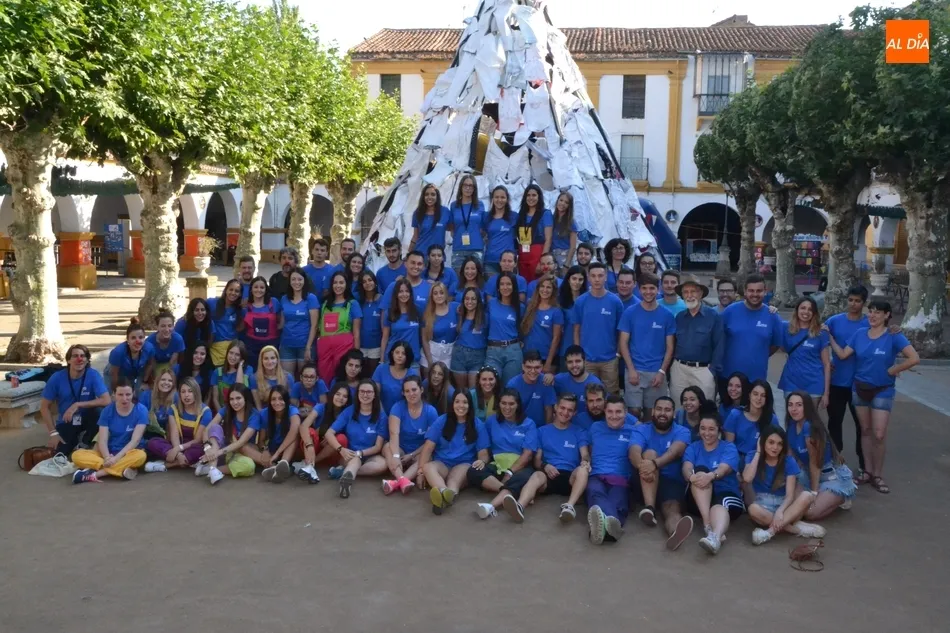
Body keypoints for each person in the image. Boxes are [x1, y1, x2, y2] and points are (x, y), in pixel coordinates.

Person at [825, 299, 918, 495]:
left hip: (883, 389)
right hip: (859, 388)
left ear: (887, 315)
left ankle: (878, 474)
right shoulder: (860, 333)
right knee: (865, 431)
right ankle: (867, 471)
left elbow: (914, 358)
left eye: (878, 312)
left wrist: (894, 369)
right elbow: (843, 354)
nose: (873, 315)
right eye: (871, 311)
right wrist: (830, 337)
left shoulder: (893, 336)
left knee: (879, 434)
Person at [503, 394, 590, 523]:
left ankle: (569, 506)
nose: (565, 412)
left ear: (574, 413)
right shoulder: (541, 431)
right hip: (549, 475)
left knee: (583, 470)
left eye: (570, 410)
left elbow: (585, 454)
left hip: (571, 477)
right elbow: (537, 461)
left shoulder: (579, 431)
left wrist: (585, 462)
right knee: (537, 475)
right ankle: (520, 506)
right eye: (562, 408)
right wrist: (545, 466)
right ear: (556, 407)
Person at [629, 396, 695, 550]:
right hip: (643, 480)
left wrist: (654, 465)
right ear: (653, 411)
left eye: (667, 410)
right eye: (659, 409)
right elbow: (634, 451)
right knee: (650, 453)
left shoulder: (682, 431)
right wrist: (644, 468)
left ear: (674, 413)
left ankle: (675, 533)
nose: (662, 413)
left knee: (672, 509)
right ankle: (650, 508)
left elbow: (674, 452)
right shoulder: (641, 429)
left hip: (670, 481)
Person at [744, 425, 827, 545]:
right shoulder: (753, 455)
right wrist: (758, 452)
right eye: (771, 442)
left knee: (807, 495)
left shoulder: (788, 461)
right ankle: (795, 529)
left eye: (779, 444)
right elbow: (747, 478)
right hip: (763, 505)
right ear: (763, 442)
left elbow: (789, 496)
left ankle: (769, 532)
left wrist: (780, 511)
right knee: (752, 509)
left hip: (784, 504)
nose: (775, 447)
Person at [682, 408, 745, 555]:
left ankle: (715, 537)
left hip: (726, 495)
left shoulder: (728, 447)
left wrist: (711, 476)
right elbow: (686, 467)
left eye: (711, 429)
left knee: (720, 502)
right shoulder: (693, 447)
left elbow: (724, 469)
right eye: (703, 428)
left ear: (719, 430)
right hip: (699, 500)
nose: (707, 433)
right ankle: (708, 526)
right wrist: (691, 477)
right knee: (699, 470)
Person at [785, 392, 857, 517]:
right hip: (808, 474)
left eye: (799, 405)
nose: (794, 409)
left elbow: (815, 463)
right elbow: (790, 459)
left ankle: (842, 496)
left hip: (829, 476)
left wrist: (814, 492)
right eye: (790, 405)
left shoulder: (809, 427)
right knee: (794, 504)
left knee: (809, 512)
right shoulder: (791, 425)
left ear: (807, 407)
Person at [824, 285, 870, 480]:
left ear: (864, 303)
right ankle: (835, 461)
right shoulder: (834, 321)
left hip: (859, 384)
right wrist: (827, 362)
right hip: (837, 383)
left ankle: (864, 465)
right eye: (851, 300)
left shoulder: (869, 322)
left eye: (858, 301)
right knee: (835, 423)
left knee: (862, 426)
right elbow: (820, 340)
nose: (853, 304)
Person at [419, 390, 491, 515]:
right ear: (452, 404)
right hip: (442, 463)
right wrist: (420, 472)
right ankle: (445, 494)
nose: (461, 406)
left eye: (465, 402)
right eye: (457, 402)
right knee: (427, 467)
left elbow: (483, 453)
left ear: (470, 405)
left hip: (464, 463)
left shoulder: (477, 424)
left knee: (454, 480)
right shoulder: (442, 420)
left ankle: (444, 497)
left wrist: (482, 461)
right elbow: (428, 447)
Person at [472, 389, 539, 520]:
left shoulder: (529, 423)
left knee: (523, 478)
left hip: (519, 466)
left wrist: (510, 472)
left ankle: (490, 507)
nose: (507, 407)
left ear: (518, 405)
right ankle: (511, 492)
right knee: (473, 471)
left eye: (511, 404)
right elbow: (484, 446)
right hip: (497, 464)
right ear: (499, 404)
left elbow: (528, 454)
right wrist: (482, 461)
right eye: (503, 403)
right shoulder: (491, 421)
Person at [619, 272, 674, 420]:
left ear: (658, 289)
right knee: (633, 412)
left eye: (652, 288)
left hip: (656, 371)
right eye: (644, 288)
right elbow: (623, 343)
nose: (648, 292)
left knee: (652, 414)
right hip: (634, 370)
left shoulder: (667, 315)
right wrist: (631, 369)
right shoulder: (630, 313)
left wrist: (662, 371)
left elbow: (670, 347)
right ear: (639, 289)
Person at [71, 378, 148, 484]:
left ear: (133, 393)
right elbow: (102, 440)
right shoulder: (107, 411)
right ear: (114, 394)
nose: (124, 398)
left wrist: (116, 459)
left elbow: (135, 441)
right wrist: (107, 458)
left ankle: (95, 474)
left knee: (140, 456)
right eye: (120, 395)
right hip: (108, 452)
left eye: (128, 394)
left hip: (129, 452)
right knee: (76, 455)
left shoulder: (141, 410)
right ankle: (121, 470)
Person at [40, 344, 111, 456]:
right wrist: (53, 433)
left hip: (88, 419)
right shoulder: (57, 378)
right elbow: (44, 407)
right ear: (68, 360)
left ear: (87, 360)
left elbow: (107, 400)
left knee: (100, 412)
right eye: (75, 356)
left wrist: (77, 404)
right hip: (67, 421)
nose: (79, 359)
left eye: (82, 356)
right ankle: (75, 441)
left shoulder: (93, 375)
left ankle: (85, 442)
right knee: (59, 454)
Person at [585, 395, 638, 544]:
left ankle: (599, 530)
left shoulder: (634, 431)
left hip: (620, 478)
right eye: (610, 411)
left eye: (618, 412)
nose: (614, 416)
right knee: (595, 492)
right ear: (605, 412)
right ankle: (613, 525)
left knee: (618, 501)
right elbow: (589, 450)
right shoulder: (595, 428)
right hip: (596, 475)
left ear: (626, 413)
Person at [324, 380, 389, 499]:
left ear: (374, 394)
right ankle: (345, 485)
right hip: (349, 454)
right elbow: (329, 433)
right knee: (355, 461)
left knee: (383, 465)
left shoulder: (381, 416)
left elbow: (378, 446)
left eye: (369, 392)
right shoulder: (349, 411)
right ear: (357, 393)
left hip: (370, 454)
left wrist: (361, 453)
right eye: (362, 391)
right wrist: (341, 449)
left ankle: (344, 472)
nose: (365, 394)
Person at [720, 274, 782, 396]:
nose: (755, 294)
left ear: (765, 291)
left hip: (756, 380)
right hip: (728, 377)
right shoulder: (730, 311)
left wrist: (759, 353)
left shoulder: (772, 316)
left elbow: (776, 345)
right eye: (751, 290)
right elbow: (718, 339)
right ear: (745, 291)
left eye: (759, 291)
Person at [382, 376, 439, 495]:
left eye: (414, 390)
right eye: (407, 391)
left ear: (421, 390)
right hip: (401, 449)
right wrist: (396, 455)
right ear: (403, 393)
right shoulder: (397, 407)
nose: (411, 394)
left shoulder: (431, 411)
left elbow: (429, 443)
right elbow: (394, 433)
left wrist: (412, 455)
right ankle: (402, 480)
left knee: (428, 456)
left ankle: (397, 482)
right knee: (387, 447)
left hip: (418, 452)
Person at [670, 274, 723, 404]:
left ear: (700, 294)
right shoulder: (679, 317)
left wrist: (712, 371)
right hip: (679, 370)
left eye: (693, 291)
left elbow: (720, 345)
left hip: (703, 370)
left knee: (705, 407)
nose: (689, 295)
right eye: (686, 292)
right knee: (678, 406)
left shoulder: (713, 316)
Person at [572, 263, 623, 395]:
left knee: (611, 396)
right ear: (588, 277)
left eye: (600, 276)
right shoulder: (580, 301)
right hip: (587, 359)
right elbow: (576, 329)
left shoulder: (615, 302)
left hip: (610, 359)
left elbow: (621, 332)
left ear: (606, 277)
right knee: (588, 396)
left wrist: (617, 354)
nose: (597, 279)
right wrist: (579, 355)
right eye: (593, 276)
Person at [196, 384, 261, 484]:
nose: (235, 402)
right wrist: (207, 448)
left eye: (238, 398)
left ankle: (209, 469)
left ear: (246, 398)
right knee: (215, 428)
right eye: (231, 399)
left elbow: (240, 442)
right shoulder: (226, 409)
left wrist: (217, 453)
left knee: (249, 466)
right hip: (221, 448)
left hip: (239, 452)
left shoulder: (254, 415)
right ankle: (213, 469)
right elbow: (207, 430)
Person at [775, 296, 831, 409]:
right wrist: (772, 309)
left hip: (814, 382)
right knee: (792, 416)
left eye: (810, 309)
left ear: (814, 313)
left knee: (810, 418)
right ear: (797, 310)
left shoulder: (821, 332)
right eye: (803, 308)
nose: (806, 312)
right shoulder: (785, 327)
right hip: (791, 381)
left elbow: (827, 364)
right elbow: (770, 321)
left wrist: (826, 393)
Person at [146, 377, 213, 471]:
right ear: (179, 394)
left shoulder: (205, 412)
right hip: (176, 444)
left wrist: (178, 449)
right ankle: (188, 461)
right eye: (183, 392)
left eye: (190, 391)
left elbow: (198, 440)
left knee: (202, 449)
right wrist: (178, 453)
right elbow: (174, 435)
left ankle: (166, 465)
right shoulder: (173, 409)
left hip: (193, 446)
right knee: (153, 442)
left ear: (196, 393)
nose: (186, 395)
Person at [296, 382, 353, 483]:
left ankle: (310, 465)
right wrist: (309, 445)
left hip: (332, 452)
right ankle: (310, 466)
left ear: (348, 400)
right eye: (338, 394)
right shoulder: (321, 407)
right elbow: (303, 426)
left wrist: (331, 437)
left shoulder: (348, 412)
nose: (340, 398)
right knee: (310, 431)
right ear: (332, 394)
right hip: (314, 448)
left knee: (341, 438)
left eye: (345, 396)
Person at [316, 270, 362, 385]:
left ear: (347, 285)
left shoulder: (353, 304)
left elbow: (356, 333)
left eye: (341, 282)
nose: (338, 286)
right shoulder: (325, 304)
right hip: (324, 348)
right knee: (324, 379)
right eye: (335, 282)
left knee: (341, 378)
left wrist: (356, 354)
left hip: (344, 348)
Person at [723, 379, 778, 468]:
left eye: (763, 395)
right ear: (749, 395)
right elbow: (729, 446)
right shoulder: (735, 414)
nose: (759, 398)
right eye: (755, 394)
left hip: (761, 462)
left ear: (767, 399)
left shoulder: (772, 419)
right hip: (737, 460)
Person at [278, 267, 320, 377]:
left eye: (300, 279)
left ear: (304, 280)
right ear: (289, 281)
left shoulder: (311, 298)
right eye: (293, 279)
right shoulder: (284, 299)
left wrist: (308, 347)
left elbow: (314, 325)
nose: (297, 282)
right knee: (287, 378)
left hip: (305, 345)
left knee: (306, 379)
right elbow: (282, 323)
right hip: (287, 345)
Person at [485, 272, 524, 386]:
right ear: (498, 287)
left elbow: (524, 328)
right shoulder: (491, 303)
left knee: (510, 386)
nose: (505, 287)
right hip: (493, 350)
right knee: (490, 385)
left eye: (508, 284)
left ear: (514, 286)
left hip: (513, 350)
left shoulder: (520, 307)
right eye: (502, 284)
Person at [256, 385, 302, 483]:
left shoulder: (292, 410)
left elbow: (294, 430)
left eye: (281, 399)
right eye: (273, 399)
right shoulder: (264, 413)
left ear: (286, 400)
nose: (277, 402)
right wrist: (264, 449)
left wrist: (277, 453)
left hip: (290, 451)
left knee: (295, 436)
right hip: (273, 450)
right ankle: (276, 469)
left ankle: (283, 464)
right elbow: (261, 440)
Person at [521, 274, 563, 373]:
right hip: (528, 356)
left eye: (548, 287)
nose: (545, 290)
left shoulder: (556, 311)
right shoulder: (530, 306)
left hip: (546, 358)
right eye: (542, 286)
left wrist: (548, 362)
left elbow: (556, 338)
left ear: (553, 290)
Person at [239, 276, 281, 371]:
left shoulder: (274, 302)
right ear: (251, 289)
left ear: (266, 289)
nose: (259, 290)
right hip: (251, 345)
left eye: (262, 287)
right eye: (256, 287)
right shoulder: (246, 305)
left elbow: (280, 320)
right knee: (253, 370)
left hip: (271, 344)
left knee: (271, 370)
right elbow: (241, 327)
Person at [505, 350, 556, 426]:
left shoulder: (546, 381)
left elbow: (548, 410)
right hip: (519, 427)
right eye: (529, 367)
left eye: (537, 367)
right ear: (523, 367)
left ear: (542, 367)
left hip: (540, 428)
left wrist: (546, 430)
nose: (533, 371)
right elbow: (509, 411)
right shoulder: (513, 385)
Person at [451, 288, 489, 389]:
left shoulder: (485, 317)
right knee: (461, 390)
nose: (470, 302)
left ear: (478, 301)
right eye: (467, 299)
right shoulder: (459, 315)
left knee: (473, 391)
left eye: (473, 299)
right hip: (459, 355)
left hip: (478, 356)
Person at [106, 319, 155, 394]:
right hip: (116, 373)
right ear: (127, 340)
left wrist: (144, 381)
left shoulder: (149, 348)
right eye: (133, 338)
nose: (137, 341)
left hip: (136, 371)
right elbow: (114, 375)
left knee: (139, 394)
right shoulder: (118, 352)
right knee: (113, 396)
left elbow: (150, 364)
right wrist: (116, 392)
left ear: (144, 338)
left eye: (140, 337)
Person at [515, 183, 553, 282]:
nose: (531, 198)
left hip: (538, 254)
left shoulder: (545, 214)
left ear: (539, 197)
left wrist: (542, 261)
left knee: (537, 284)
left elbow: (548, 239)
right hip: (523, 255)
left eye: (534, 195)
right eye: (528, 195)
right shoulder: (521, 215)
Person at [380, 278, 423, 366]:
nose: (404, 294)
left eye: (407, 291)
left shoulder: (418, 310)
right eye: (400, 291)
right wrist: (381, 360)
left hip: (412, 359)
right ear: (396, 294)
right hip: (393, 360)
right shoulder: (389, 312)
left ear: (410, 293)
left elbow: (423, 337)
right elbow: (385, 338)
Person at [139, 368, 177, 466]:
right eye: (163, 379)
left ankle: (167, 458)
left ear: (173, 384)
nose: (166, 383)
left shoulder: (176, 397)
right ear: (157, 381)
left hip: (167, 438)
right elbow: (139, 421)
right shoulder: (146, 395)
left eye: (170, 380)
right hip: (146, 435)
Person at [448, 175, 487, 269]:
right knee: (458, 276)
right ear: (461, 187)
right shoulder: (454, 206)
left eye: (471, 186)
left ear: (474, 188)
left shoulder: (480, 205)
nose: (468, 188)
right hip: (459, 249)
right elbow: (452, 228)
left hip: (476, 249)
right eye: (465, 185)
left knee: (476, 277)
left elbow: (483, 228)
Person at [372, 341, 420, 413]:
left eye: (403, 353)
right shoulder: (381, 369)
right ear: (392, 353)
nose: (400, 356)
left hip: (404, 413)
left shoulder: (413, 373)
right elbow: (375, 394)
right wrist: (382, 414)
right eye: (397, 352)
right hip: (381, 411)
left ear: (408, 356)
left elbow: (414, 398)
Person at [421, 282, 458, 373]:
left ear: (446, 294)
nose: (439, 296)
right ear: (432, 296)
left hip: (450, 353)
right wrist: (430, 361)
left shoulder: (455, 307)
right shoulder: (427, 314)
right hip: (432, 353)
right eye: (435, 293)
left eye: (441, 293)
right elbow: (424, 340)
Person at [210, 340, 256, 412]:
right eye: (231, 353)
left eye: (237, 355)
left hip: (242, 411)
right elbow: (215, 399)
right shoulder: (217, 372)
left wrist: (240, 365)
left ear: (242, 357)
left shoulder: (248, 369)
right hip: (223, 411)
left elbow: (239, 387)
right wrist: (222, 415)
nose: (233, 357)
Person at [409, 183, 450, 259]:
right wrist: (409, 255)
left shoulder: (445, 212)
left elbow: (453, 228)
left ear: (437, 197)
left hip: (437, 257)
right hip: (420, 256)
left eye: (433, 194)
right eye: (426, 194)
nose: (429, 197)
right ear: (423, 197)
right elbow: (415, 236)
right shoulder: (418, 213)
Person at [483, 185, 517, 276]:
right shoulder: (486, 217)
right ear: (492, 199)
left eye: (502, 197)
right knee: (492, 285)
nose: (499, 200)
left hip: (508, 262)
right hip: (490, 261)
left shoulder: (514, 216)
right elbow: (482, 235)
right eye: (496, 197)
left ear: (507, 199)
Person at [208, 279, 243, 366]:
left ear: (240, 294)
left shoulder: (240, 310)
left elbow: (240, 328)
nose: (233, 293)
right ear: (226, 290)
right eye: (231, 289)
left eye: (237, 291)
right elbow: (197, 306)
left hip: (232, 350)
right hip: (215, 349)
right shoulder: (212, 303)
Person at [357, 271, 385, 376]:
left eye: (370, 280)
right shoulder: (359, 301)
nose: (367, 283)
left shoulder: (381, 299)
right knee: (362, 376)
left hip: (376, 346)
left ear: (375, 282)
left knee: (373, 376)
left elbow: (384, 327)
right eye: (364, 281)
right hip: (361, 346)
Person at [558, 265, 587, 359]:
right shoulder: (560, 300)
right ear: (568, 279)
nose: (577, 282)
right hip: (564, 348)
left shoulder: (587, 300)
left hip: (585, 348)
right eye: (574, 278)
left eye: (580, 279)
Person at [146, 311, 185, 377]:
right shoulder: (150, 342)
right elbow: (151, 365)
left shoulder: (177, 339)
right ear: (157, 327)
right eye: (163, 326)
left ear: (173, 326)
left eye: (170, 326)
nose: (167, 330)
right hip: (155, 366)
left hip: (170, 366)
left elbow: (173, 363)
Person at [551, 191, 578, 274]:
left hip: (565, 257)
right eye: (561, 200)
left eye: (566, 202)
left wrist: (566, 264)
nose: (562, 203)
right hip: (552, 257)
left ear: (569, 206)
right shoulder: (551, 218)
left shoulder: (571, 223)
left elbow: (573, 247)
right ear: (557, 201)